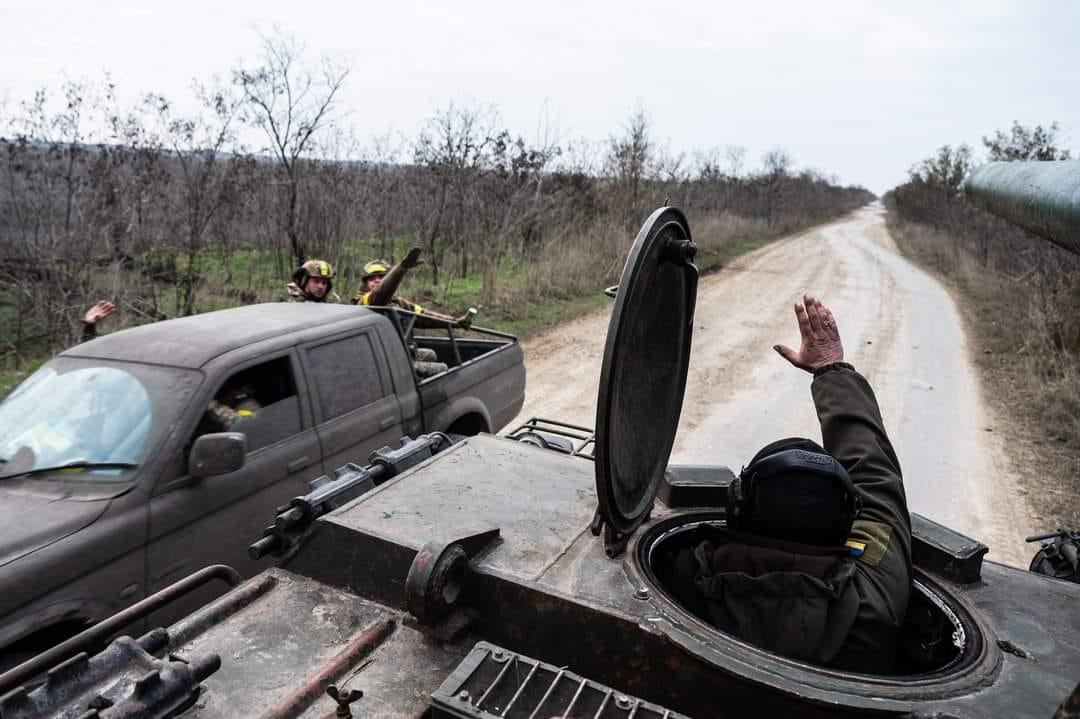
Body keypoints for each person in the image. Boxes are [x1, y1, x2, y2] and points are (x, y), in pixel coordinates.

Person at [671, 295, 911, 673]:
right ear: (849, 527)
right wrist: (832, 369)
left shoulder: (685, 576)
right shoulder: (874, 601)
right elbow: (876, 480)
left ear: (738, 507)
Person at [352, 248, 474, 329]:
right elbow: (379, 295)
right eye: (372, 278)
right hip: (383, 357)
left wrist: (455, 322)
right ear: (365, 283)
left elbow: (424, 315)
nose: (377, 280)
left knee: (431, 355)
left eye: (381, 277)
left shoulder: (397, 302)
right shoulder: (363, 303)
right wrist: (401, 268)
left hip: (402, 351)